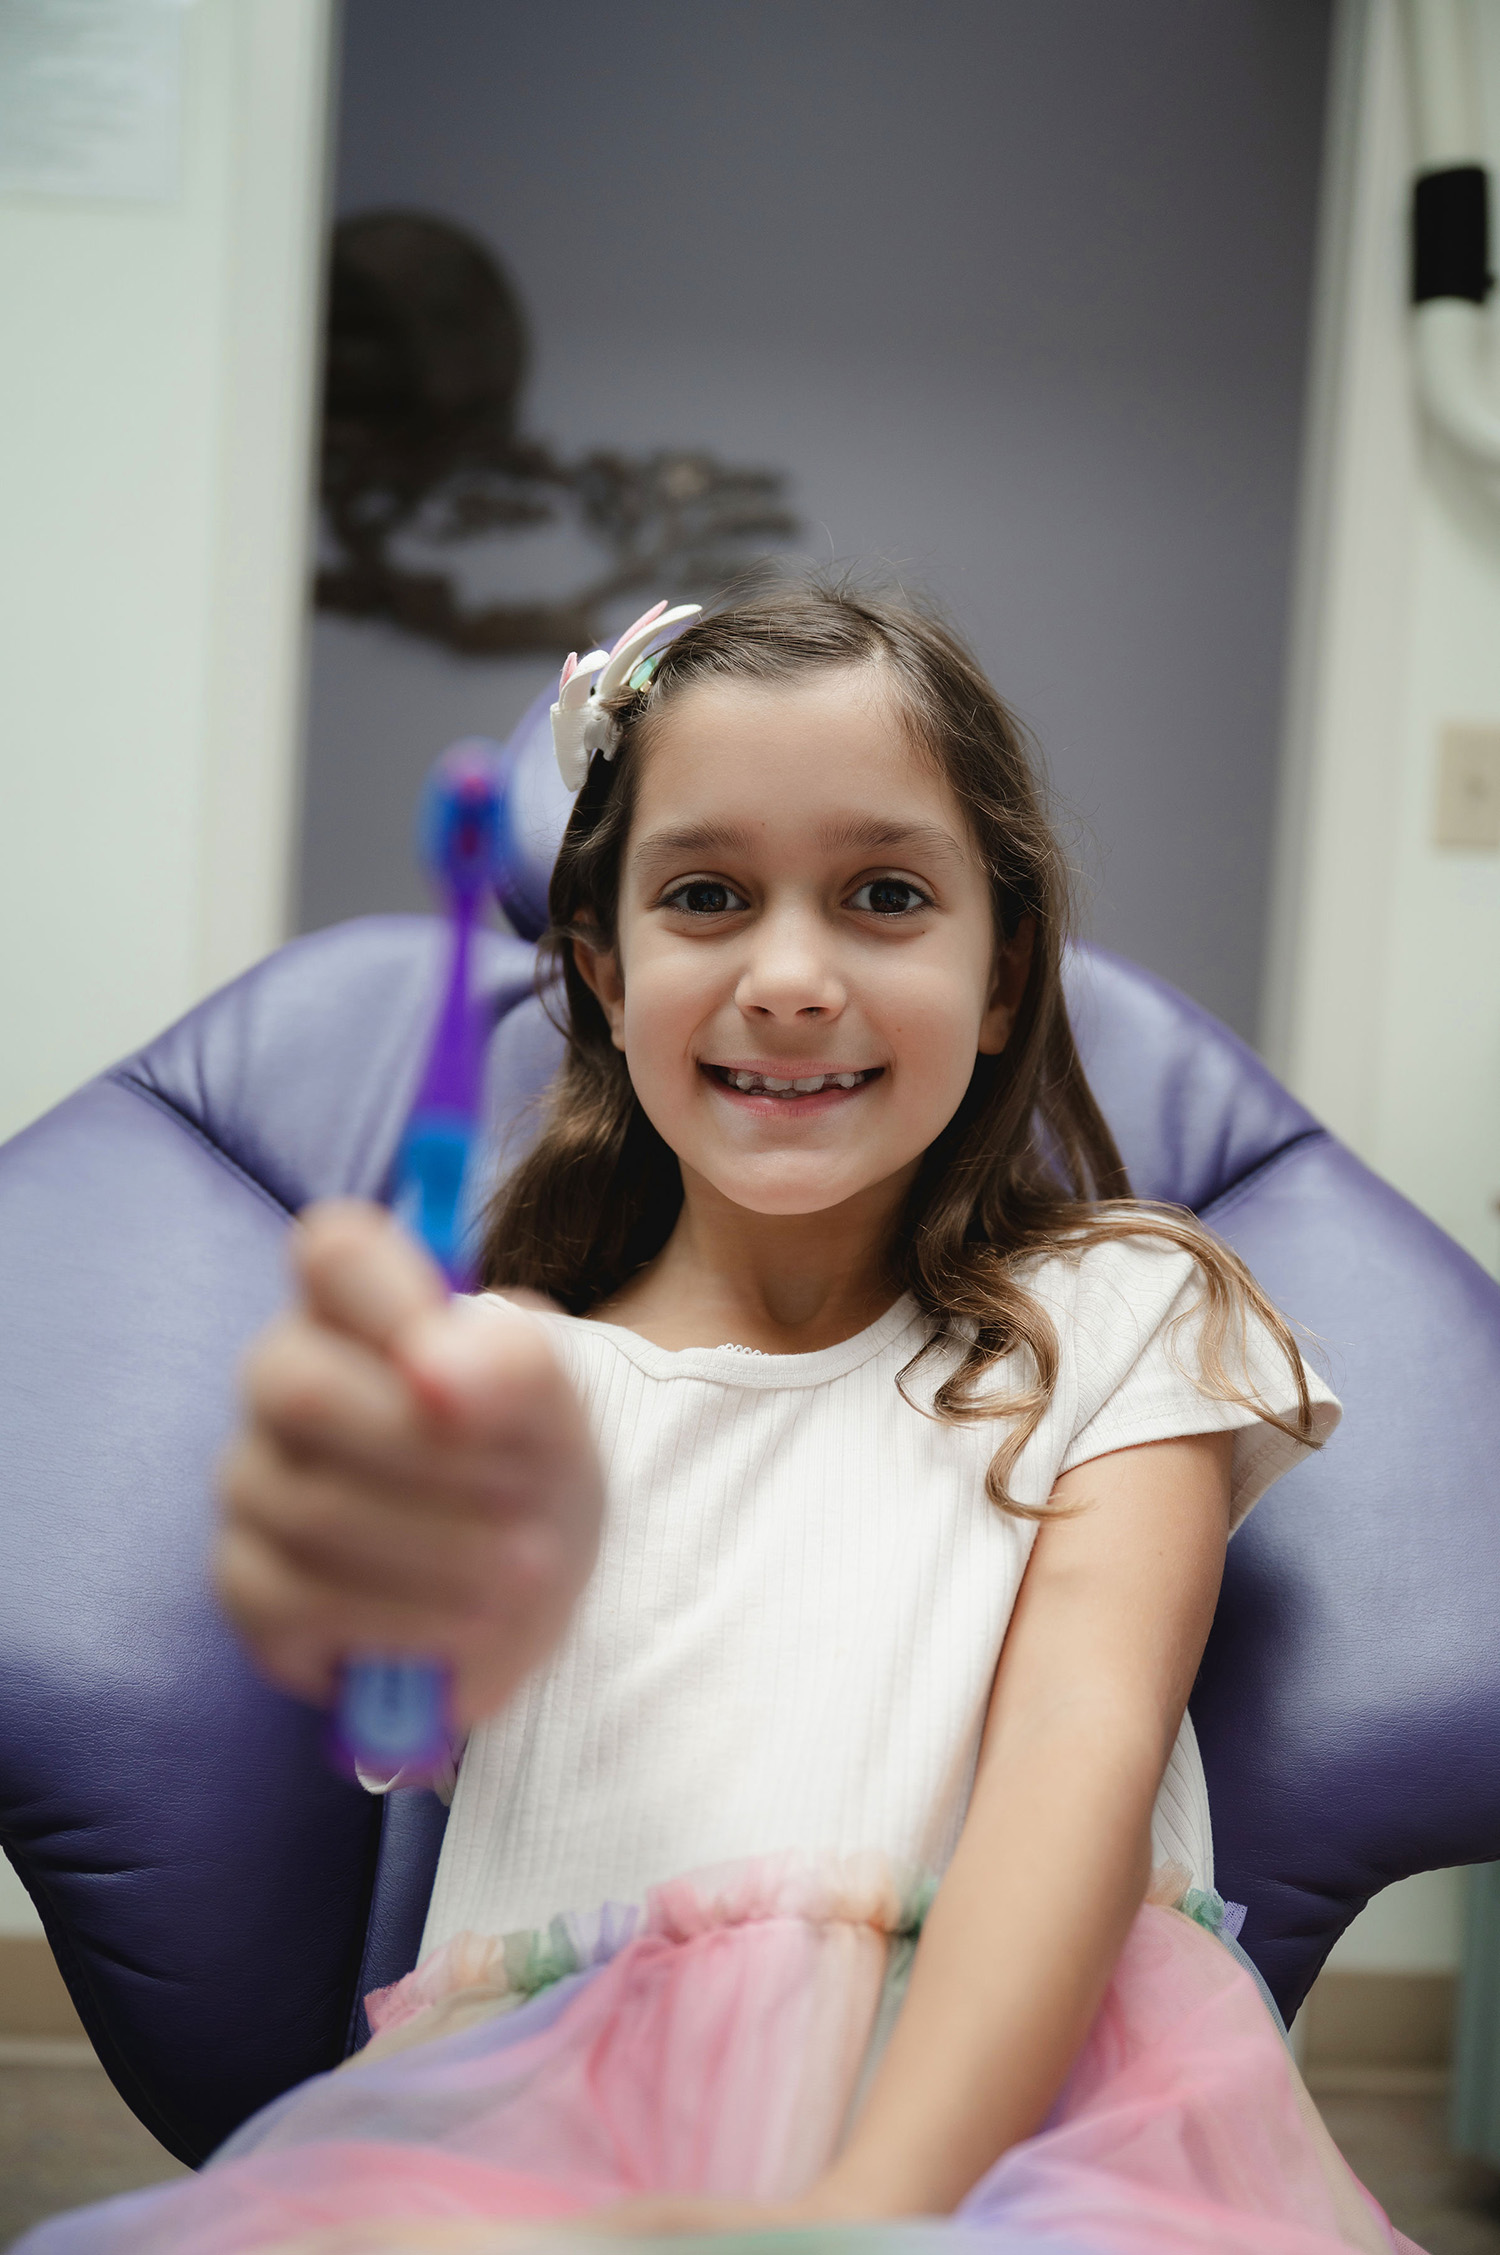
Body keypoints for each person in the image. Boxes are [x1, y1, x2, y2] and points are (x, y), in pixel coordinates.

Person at [24, 585, 1418, 2255]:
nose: (792, 977)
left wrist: (867, 2212)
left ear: (1002, 976)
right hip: (521, 2136)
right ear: (605, 977)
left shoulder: (1122, 1316)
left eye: (885, 896)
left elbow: (1079, 1752)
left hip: (1021, 2119)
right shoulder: (506, 1381)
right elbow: (400, 1670)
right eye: (706, 896)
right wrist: (388, 1564)